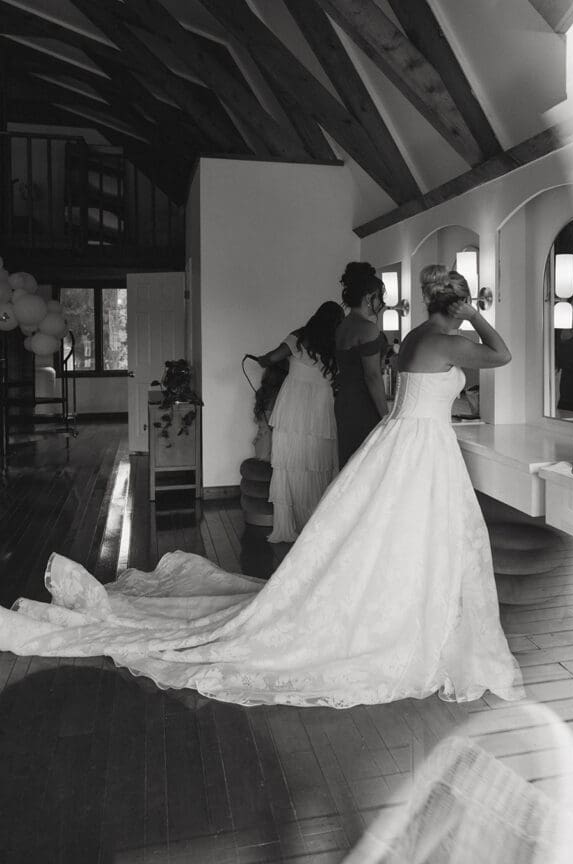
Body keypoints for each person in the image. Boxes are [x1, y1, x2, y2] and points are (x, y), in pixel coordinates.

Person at [0, 264, 521, 709]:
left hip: (399, 440)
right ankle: (408, 615)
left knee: (387, 534)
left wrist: (462, 315)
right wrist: (477, 315)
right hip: (425, 447)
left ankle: (401, 607)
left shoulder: (413, 337)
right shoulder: (452, 339)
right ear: (458, 305)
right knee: (416, 535)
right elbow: (502, 355)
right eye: (467, 305)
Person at [254, 301, 344, 543]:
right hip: (320, 404)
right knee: (317, 460)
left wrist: (262, 359)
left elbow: (271, 358)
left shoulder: (297, 338)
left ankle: (290, 524)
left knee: (290, 462)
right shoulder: (336, 345)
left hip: (293, 403)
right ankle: (316, 523)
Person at [334, 262, 388, 467]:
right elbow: (372, 376)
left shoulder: (344, 325)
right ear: (369, 297)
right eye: (379, 297)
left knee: (350, 464)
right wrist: (386, 416)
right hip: (364, 403)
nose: (382, 303)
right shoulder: (367, 329)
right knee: (366, 466)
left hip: (344, 400)